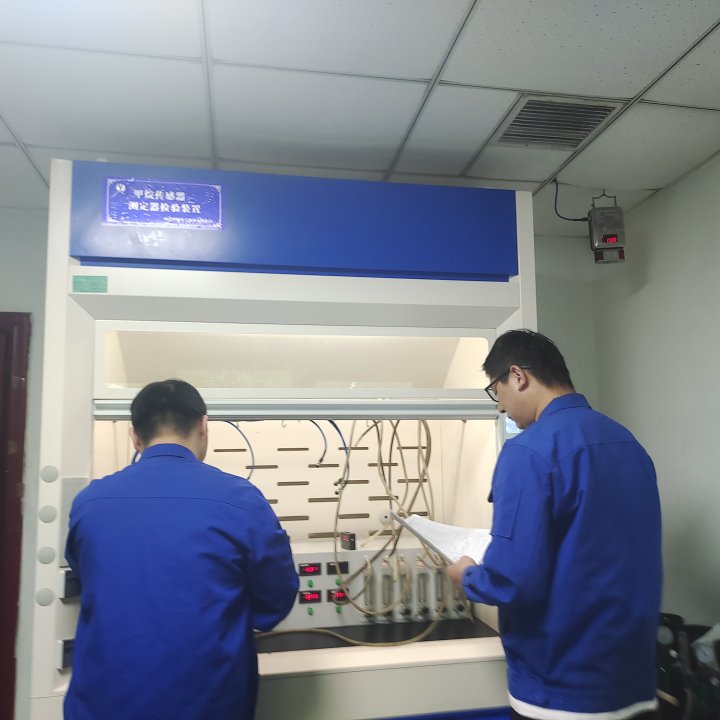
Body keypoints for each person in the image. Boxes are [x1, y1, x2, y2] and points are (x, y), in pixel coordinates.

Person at [447, 330, 662, 720]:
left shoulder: (528, 451)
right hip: (635, 681)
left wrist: (466, 576)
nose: (501, 407)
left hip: (561, 692)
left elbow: (512, 581)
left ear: (518, 376)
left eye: (497, 392)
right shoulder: (627, 442)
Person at [64, 379, 299, 720]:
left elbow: (89, 575)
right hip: (208, 704)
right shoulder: (241, 500)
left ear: (135, 436)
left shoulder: (89, 501)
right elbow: (273, 606)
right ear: (204, 426)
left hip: (100, 704)